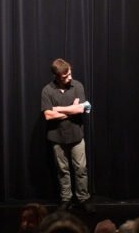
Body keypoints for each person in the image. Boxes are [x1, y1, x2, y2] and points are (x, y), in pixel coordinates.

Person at [41, 58, 94, 213]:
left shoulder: (77, 86)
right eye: (65, 76)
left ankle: (83, 198)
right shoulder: (47, 90)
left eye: (70, 73)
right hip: (56, 136)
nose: (69, 77)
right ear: (57, 76)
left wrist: (57, 109)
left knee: (81, 169)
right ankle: (66, 199)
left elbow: (80, 110)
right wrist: (70, 108)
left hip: (76, 135)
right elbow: (48, 116)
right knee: (62, 170)